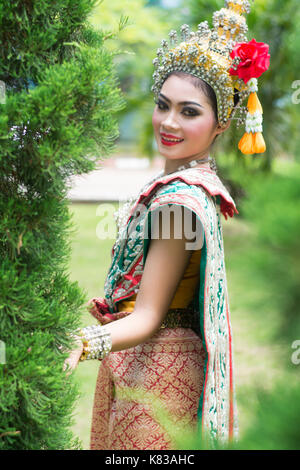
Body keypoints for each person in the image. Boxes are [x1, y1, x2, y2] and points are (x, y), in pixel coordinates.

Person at [65, 0, 270, 450]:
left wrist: (80, 341)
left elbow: (149, 316)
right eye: (163, 105)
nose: (169, 122)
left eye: (189, 111)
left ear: (221, 124)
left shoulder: (180, 202)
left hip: (159, 373)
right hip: (155, 363)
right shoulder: (185, 184)